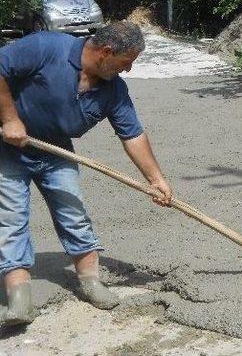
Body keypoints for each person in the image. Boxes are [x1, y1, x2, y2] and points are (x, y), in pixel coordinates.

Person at [0, 21, 172, 326]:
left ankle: (90, 281)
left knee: (73, 211)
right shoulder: (46, 47)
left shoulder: (113, 89)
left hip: (55, 151)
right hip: (8, 148)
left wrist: (155, 180)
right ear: (106, 52)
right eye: (126, 62)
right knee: (11, 218)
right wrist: (11, 119)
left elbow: (132, 134)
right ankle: (19, 300)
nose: (129, 70)